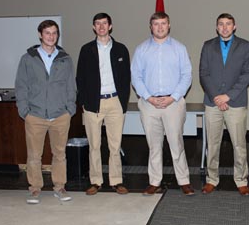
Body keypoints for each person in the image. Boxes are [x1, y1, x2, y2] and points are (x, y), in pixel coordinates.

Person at [131, 12, 195, 196]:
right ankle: (154, 181)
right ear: (150, 26)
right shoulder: (141, 49)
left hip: (173, 103)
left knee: (176, 143)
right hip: (149, 103)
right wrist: (149, 97)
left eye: (163, 23)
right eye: (156, 24)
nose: (160, 27)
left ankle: (184, 181)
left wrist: (173, 97)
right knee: (154, 145)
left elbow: (186, 76)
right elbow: (136, 77)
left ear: (169, 25)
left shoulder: (179, 48)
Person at [15, 20, 76, 204]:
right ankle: (34, 189)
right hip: (35, 115)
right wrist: (25, 111)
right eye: (47, 33)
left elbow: (70, 86)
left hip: (60, 115)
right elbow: (21, 86)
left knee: (60, 154)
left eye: (54, 33)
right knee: (34, 155)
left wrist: (69, 109)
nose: (51, 36)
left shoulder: (65, 58)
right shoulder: (28, 58)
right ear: (40, 35)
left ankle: (60, 187)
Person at [199, 13, 249, 196]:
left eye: (228, 24)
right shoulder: (208, 46)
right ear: (216, 27)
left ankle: (241, 180)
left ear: (234, 26)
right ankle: (211, 179)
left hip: (236, 103)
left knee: (239, 144)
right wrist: (217, 97)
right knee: (212, 144)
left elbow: (247, 74)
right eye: (221, 24)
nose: (224, 27)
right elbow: (203, 73)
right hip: (213, 103)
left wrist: (227, 96)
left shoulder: (245, 46)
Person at [76, 12, 130, 195]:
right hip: (93, 104)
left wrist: (122, 102)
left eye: (104, 23)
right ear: (93, 27)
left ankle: (116, 181)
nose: (101, 27)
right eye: (97, 24)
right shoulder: (86, 50)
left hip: (115, 102)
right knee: (95, 145)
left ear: (110, 26)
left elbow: (126, 78)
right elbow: (80, 78)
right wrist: (84, 102)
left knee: (115, 145)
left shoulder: (121, 49)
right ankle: (96, 181)